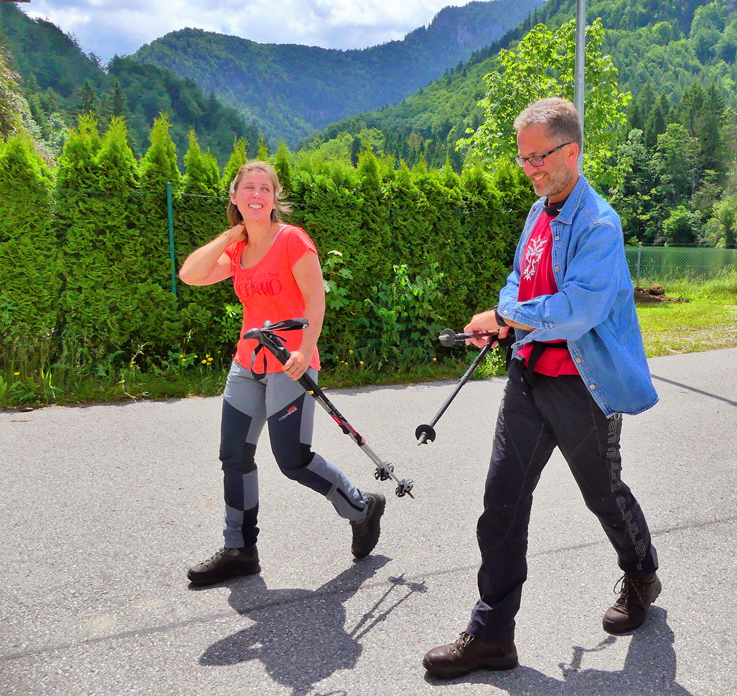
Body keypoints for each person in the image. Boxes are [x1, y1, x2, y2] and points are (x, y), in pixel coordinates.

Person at [423, 98, 661, 678]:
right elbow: (518, 279)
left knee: (604, 497)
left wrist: (507, 318)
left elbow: (578, 310)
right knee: (501, 503)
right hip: (528, 379)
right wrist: (507, 313)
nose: (528, 167)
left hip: (583, 388)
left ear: (571, 150)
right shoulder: (537, 215)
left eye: (538, 156)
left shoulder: (599, 225)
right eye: (522, 157)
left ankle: (642, 574)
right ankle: (491, 635)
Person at [179, 160, 385, 587]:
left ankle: (362, 507)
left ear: (275, 199)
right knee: (233, 456)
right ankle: (240, 550)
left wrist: (305, 350)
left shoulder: (292, 240)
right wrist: (232, 234)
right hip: (247, 363)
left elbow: (315, 300)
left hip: (290, 363)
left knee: (292, 460)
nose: (256, 194)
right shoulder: (236, 251)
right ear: (234, 197)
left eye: (265, 189)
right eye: (247, 188)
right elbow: (190, 274)